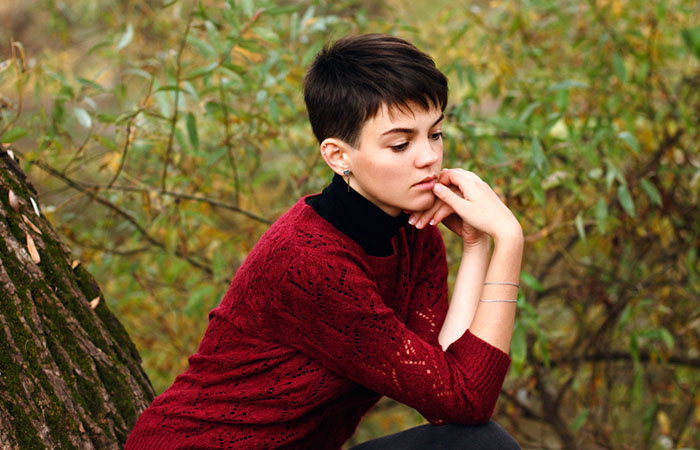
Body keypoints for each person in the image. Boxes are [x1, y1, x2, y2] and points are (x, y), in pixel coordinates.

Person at [125, 33, 523, 449]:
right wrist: (510, 242)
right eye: (401, 143)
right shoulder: (311, 262)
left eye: (435, 134)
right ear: (337, 156)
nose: (428, 157)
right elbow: (466, 399)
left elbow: (449, 393)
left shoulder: (413, 235)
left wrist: (478, 245)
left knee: (477, 443)